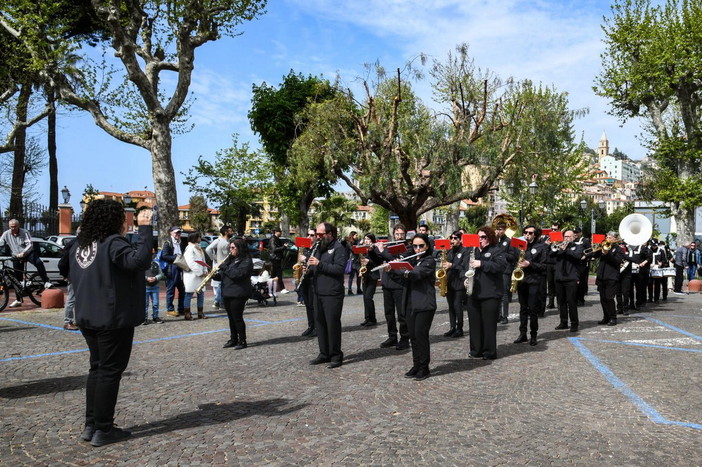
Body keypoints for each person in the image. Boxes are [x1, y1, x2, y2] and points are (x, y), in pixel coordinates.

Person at [58, 199, 153, 447]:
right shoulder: (112, 243)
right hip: (112, 316)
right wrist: (144, 229)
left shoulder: (79, 244)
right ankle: (103, 428)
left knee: (97, 369)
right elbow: (139, 262)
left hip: (88, 314)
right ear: (113, 220)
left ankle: (91, 425)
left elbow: (63, 266)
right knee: (110, 371)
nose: (124, 221)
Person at [384, 232, 436, 380]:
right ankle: (416, 365)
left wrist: (399, 268)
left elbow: (415, 275)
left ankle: (424, 368)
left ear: (427, 246)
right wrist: (390, 271)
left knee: (420, 336)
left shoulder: (429, 261)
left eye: (421, 246)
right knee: (412, 336)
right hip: (410, 303)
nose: (418, 249)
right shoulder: (412, 261)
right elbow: (403, 281)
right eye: (415, 246)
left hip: (424, 304)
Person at [308, 222, 348, 369]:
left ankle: (336, 354)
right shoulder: (319, 247)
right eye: (317, 234)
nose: (317, 237)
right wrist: (309, 269)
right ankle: (324, 353)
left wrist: (319, 264)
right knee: (320, 324)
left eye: (320, 234)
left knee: (332, 324)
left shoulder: (339, 248)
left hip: (332, 293)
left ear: (329, 234)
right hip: (318, 291)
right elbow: (316, 267)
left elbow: (339, 269)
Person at [467, 226, 507, 360]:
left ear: (489, 238)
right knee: (474, 324)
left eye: (483, 237)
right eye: (478, 237)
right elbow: (463, 268)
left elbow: (500, 266)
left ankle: (489, 352)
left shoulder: (496, 250)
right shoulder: (472, 250)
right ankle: (475, 350)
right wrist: (464, 280)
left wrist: (482, 264)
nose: (480, 240)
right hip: (474, 292)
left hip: (490, 293)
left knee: (489, 325)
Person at [0, 218, 53, 308]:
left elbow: (30, 244)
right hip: (16, 255)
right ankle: (18, 300)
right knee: (17, 279)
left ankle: (46, 281)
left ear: (18, 226)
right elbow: (0, 243)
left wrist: (23, 253)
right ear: (9, 227)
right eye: (11, 227)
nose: (13, 229)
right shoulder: (6, 234)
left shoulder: (24, 232)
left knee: (38, 262)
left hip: (27, 253)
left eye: (15, 227)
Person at [375, 223, 410, 350]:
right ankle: (392, 337)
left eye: (402, 234)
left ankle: (405, 338)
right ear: (393, 234)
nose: (399, 236)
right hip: (387, 283)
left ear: (405, 235)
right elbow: (379, 258)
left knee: (402, 314)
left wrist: (382, 251)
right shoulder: (389, 246)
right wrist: (372, 249)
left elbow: (396, 259)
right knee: (388, 313)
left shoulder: (408, 248)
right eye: (397, 234)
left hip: (400, 284)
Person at [514, 225, 548, 346]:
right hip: (522, 280)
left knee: (533, 309)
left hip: (534, 281)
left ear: (535, 235)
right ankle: (522, 334)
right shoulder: (519, 246)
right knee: (523, 309)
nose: (527, 235)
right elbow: (512, 259)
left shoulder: (542, 247)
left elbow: (544, 266)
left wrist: (530, 264)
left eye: (530, 233)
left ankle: (534, 335)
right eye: (525, 232)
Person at [220, 238, 254, 349]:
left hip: (238, 292)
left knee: (237, 317)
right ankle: (233, 339)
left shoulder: (246, 261)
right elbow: (226, 274)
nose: (231, 249)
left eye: (233, 247)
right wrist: (214, 274)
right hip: (228, 291)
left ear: (240, 248)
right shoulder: (230, 259)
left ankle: (242, 340)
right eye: (230, 247)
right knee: (230, 317)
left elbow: (238, 275)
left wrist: (224, 268)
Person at [551, 230, 584, 332]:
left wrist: (566, 250)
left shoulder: (578, 247)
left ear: (573, 237)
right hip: (559, 278)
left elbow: (578, 256)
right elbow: (550, 256)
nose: (566, 238)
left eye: (569, 236)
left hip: (571, 278)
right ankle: (563, 322)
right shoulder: (559, 246)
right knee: (561, 302)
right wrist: (555, 248)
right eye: (565, 236)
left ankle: (574, 323)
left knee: (571, 301)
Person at [593, 231, 625, 326]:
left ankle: (613, 317)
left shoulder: (618, 249)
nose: (607, 239)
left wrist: (607, 254)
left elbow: (617, 262)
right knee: (603, 299)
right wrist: (597, 248)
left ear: (615, 239)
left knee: (609, 298)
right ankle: (606, 317)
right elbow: (595, 256)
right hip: (601, 277)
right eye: (607, 237)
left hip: (611, 277)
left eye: (610, 237)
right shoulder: (603, 246)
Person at [442, 231, 470, 338]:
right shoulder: (449, 251)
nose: (452, 240)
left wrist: (452, 265)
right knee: (451, 307)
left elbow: (464, 267)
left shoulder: (465, 251)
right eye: (451, 238)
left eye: (455, 238)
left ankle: (460, 328)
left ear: (460, 239)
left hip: (459, 282)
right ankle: (452, 327)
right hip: (449, 281)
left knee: (457, 306)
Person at [182, 231, 209, 320]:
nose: (200, 238)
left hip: (200, 275)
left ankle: (200, 313)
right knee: (189, 294)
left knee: (201, 294)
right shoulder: (189, 248)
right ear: (195, 238)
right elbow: (191, 262)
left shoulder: (199, 248)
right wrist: (200, 272)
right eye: (199, 237)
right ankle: (187, 313)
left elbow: (203, 261)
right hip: (191, 275)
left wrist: (205, 270)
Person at [205, 225, 233, 310]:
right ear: (226, 232)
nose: (232, 232)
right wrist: (214, 258)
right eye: (230, 231)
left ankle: (218, 302)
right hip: (222, 265)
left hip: (223, 265)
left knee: (221, 284)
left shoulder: (225, 241)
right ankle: (221, 303)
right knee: (222, 284)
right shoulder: (221, 241)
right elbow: (208, 249)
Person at [494, 221, 518, 325]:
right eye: (497, 229)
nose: (499, 231)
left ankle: (505, 316)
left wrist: (502, 254)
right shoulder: (495, 241)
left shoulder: (509, 241)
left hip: (505, 270)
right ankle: (498, 315)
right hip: (496, 269)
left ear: (504, 230)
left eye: (501, 229)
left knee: (504, 294)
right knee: (496, 294)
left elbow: (513, 256)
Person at [297, 229, 318, 336]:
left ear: (316, 236)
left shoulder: (317, 248)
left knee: (314, 304)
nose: (309, 237)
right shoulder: (304, 248)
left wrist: (305, 259)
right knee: (308, 304)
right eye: (308, 234)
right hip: (305, 278)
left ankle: (317, 327)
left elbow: (316, 262)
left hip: (314, 279)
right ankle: (310, 326)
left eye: (312, 235)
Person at [162, 227, 186, 317]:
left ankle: (181, 309)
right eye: (176, 233)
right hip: (171, 268)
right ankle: (170, 309)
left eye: (179, 233)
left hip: (180, 268)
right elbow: (165, 256)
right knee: (170, 290)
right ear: (171, 233)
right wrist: (176, 257)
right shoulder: (167, 243)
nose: (178, 234)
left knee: (182, 290)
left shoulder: (180, 243)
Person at [359, 233, 380, 327]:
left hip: (373, 275)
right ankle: (367, 318)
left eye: (368, 239)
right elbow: (357, 260)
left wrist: (369, 261)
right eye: (365, 239)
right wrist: (360, 269)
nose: (366, 241)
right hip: (365, 275)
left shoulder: (375, 249)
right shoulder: (363, 250)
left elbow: (378, 261)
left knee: (368, 297)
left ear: (372, 240)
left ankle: (373, 319)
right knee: (364, 298)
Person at [144, 250, 165, 324]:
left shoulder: (156, 264)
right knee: (145, 304)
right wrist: (147, 278)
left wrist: (155, 278)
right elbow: (140, 274)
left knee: (155, 303)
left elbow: (161, 274)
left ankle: (155, 317)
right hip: (145, 287)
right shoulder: (143, 264)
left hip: (155, 286)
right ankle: (144, 318)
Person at [572, 227, 591, 306]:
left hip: (581, 265)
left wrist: (585, 256)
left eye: (577, 232)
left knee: (581, 283)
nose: (575, 234)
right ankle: (573, 298)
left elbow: (590, 251)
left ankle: (580, 299)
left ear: (581, 233)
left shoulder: (585, 241)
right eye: (574, 232)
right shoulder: (571, 240)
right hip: (572, 264)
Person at [269, 227, 288, 294]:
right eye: (280, 231)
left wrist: (283, 247)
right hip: (275, 258)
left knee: (273, 275)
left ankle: (270, 289)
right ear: (276, 232)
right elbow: (274, 249)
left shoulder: (277, 239)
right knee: (279, 274)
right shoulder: (273, 239)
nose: (281, 233)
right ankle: (282, 288)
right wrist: (284, 247)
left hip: (277, 258)